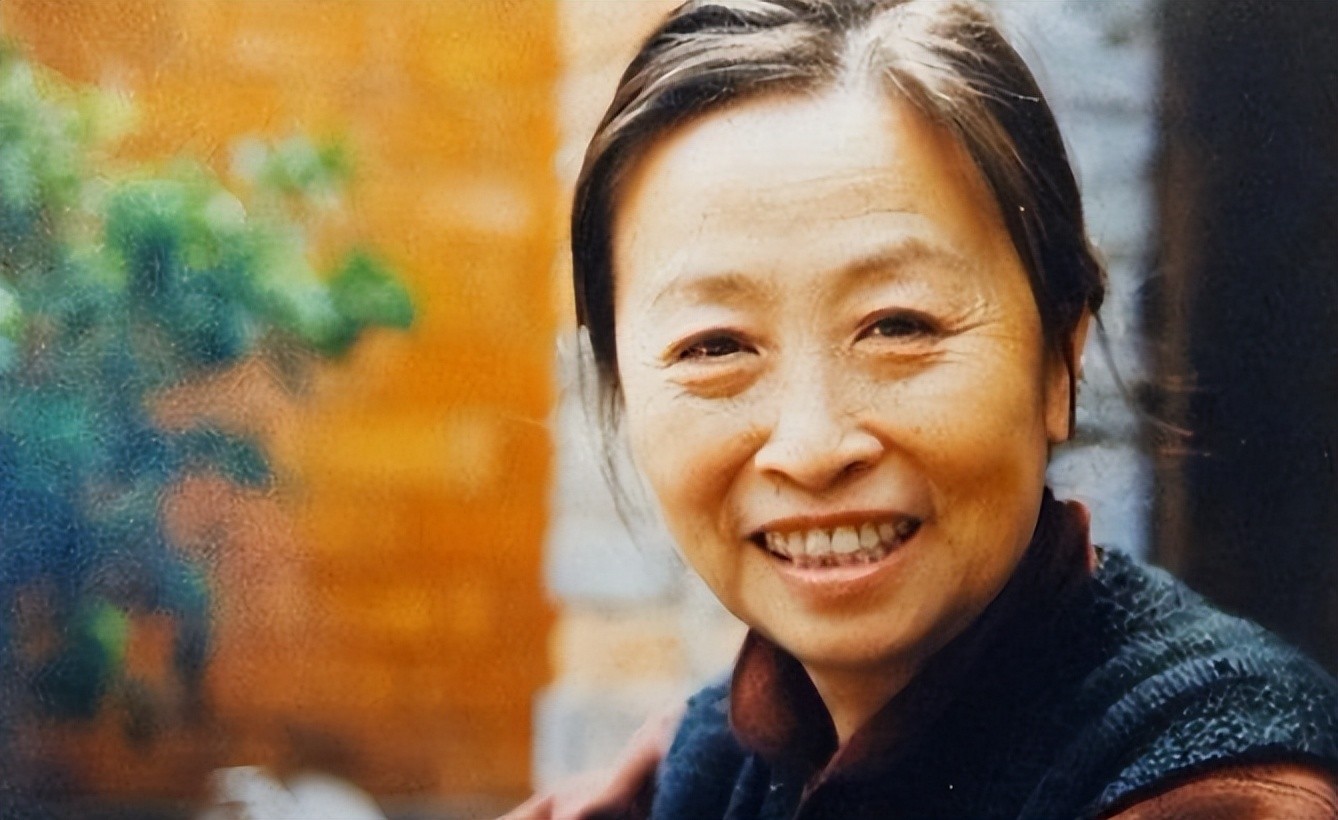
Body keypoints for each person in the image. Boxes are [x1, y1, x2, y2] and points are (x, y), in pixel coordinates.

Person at [508, 0, 1338, 817]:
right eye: (716, 346)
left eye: (898, 327)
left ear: (1060, 361)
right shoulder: (715, 760)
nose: (813, 447)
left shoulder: (1218, 786)